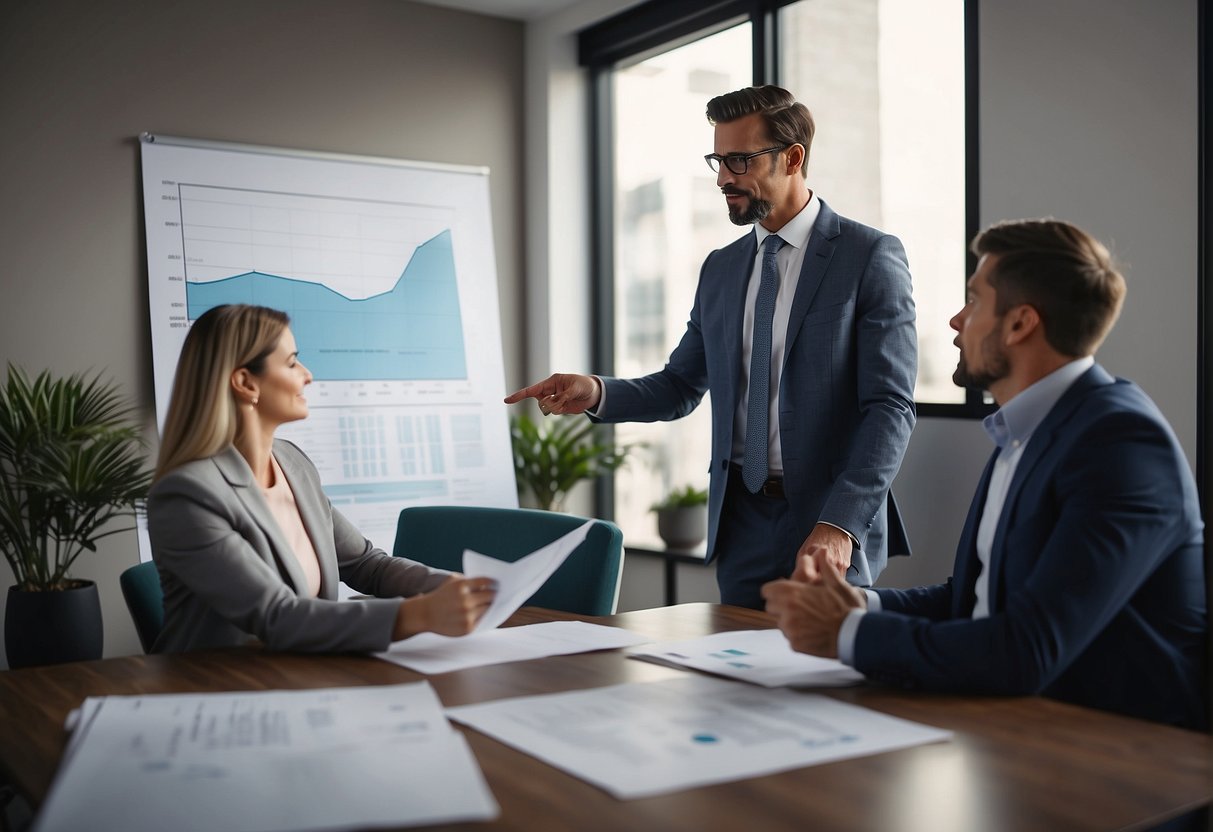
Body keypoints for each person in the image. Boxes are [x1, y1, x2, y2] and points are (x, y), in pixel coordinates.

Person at [763, 218, 1207, 730]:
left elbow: (1027, 649)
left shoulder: (1122, 444)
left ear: (1020, 324)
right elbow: (972, 599)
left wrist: (845, 635)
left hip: (1123, 761)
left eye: (974, 300)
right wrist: (860, 603)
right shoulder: (1027, 429)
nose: (956, 320)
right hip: (1027, 732)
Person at [505, 85, 917, 608]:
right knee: (735, 675)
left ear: (793, 158)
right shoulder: (721, 268)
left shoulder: (869, 255)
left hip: (825, 523)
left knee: (820, 678)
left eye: (739, 160)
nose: (723, 178)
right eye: (719, 160)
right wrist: (596, 391)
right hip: (741, 524)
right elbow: (680, 386)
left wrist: (841, 524)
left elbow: (890, 406)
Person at [147, 304, 496, 653]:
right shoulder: (187, 495)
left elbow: (365, 565)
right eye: (291, 362)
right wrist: (419, 614)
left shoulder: (292, 463)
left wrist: (452, 588)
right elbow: (277, 616)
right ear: (245, 382)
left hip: (303, 675)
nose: (308, 375)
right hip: (218, 689)